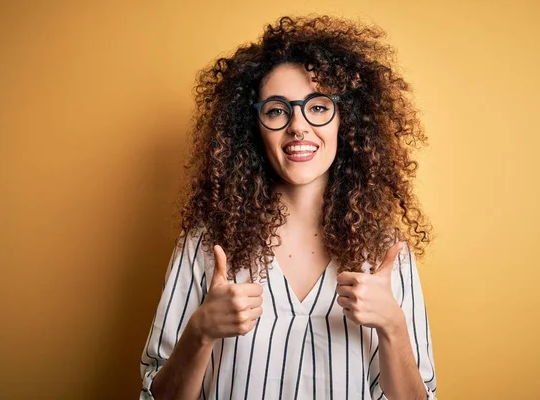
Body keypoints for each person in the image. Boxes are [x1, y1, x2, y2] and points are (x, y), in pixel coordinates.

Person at [139, 15, 436, 400]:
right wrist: (201, 331)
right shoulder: (205, 242)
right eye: (278, 110)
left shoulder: (384, 250)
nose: (298, 126)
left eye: (317, 107)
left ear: (345, 121)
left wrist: (392, 325)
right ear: (254, 126)